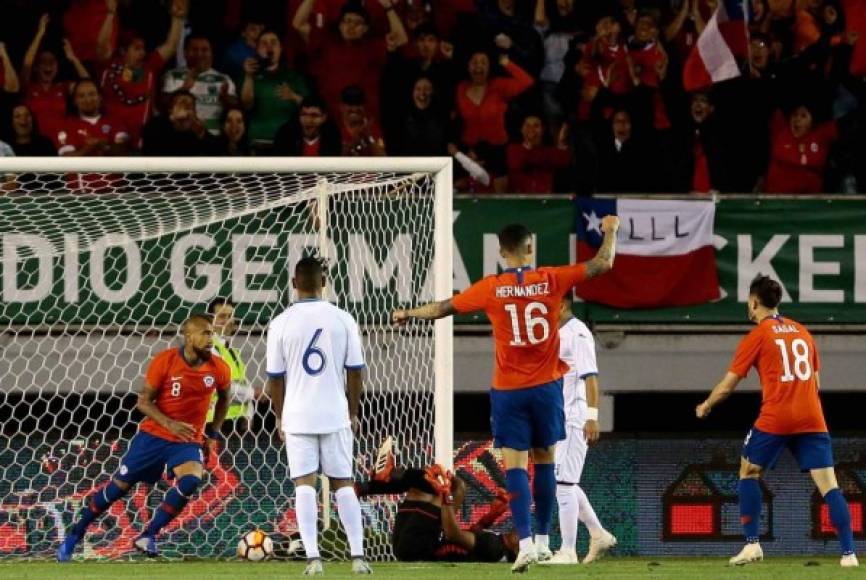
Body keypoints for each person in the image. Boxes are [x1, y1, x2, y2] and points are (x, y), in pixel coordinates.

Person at [392, 219, 619, 572]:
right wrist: (610, 231)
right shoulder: (551, 279)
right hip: (546, 389)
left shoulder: (491, 288)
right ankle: (544, 542)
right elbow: (603, 263)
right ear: (531, 248)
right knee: (545, 461)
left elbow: (442, 308)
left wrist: (408, 312)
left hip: (509, 391)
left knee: (516, 467)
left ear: (501, 252)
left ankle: (525, 544)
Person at [696, 275, 858, 568]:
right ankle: (849, 554)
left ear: (754, 301)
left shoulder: (758, 334)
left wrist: (706, 405)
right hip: (812, 417)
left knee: (748, 471)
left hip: (777, 416)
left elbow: (727, 386)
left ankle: (752, 545)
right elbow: (816, 381)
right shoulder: (802, 332)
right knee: (829, 486)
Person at [56, 314, 231, 561]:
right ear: (188, 336)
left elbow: (225, 398)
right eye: (205, 333)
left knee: (192, 480)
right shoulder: (166, 361)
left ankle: (148, 535)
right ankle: (76, 534)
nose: (210, 338)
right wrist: (170, 423)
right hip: (153, 436)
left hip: (187, 440)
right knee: (118, 488)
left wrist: (212, 433)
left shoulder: (218, 368)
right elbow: (143, 402)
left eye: (212, 333)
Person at [266, 257, 371, 575]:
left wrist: (280, 417)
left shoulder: (280, 323)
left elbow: (275, 379)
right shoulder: (343, 319)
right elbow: (355, 373)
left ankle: (313, 559)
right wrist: (352, 412)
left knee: (304, 486)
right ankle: (358, 558)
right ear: (323, 283)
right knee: (343, 484)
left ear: (294, 284)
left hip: (298, 415)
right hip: (335, 413)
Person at [356, 438, 517, 563]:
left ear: (517, 552)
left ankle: (382, 479)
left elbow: (453, 534)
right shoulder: (495, 546)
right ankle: (371, 484)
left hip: (416, 548)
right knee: (450, 486)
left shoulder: (495, 547)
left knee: (441, 488)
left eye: (524, 541)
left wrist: (446, 496)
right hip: (411, 544)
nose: (523, 534)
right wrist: (490, 517)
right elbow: (471, 539)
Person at [541, 297, 616, 565]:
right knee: (566, 482)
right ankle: (598, 534)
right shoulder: (556, 333)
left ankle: (568, 551)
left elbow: (591, 376)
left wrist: (592, 417)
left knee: (562, 484)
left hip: (575, 418)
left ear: (561, 306)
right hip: (559, 418)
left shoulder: (579, 333)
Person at [96, 0, 187, 147]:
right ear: (124, 50)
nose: (142, 52)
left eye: (143, 49)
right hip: (108, 140)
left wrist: (177, 19)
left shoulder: (149, 67)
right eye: (137, 48)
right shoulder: (109, 66)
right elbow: (101, 45)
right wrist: (110, 14)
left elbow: (171, 46)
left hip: (140, 141)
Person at [240, 30, 310, 150]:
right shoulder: (248, 75)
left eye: (273, 43)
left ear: (281, 49)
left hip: (287, 143)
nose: (269, 47)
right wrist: (248, 76)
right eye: (264, 43)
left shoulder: (294, 76)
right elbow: (246, 105)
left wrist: (293, 96)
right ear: (257, 49)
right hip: (258, 141)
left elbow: (309, 108)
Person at [22, 15, 90, 137]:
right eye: (43, 61)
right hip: (36, 140)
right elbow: (27, 64)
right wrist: (40, 34)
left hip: (63, 140)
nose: (48, 65)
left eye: (52, 61)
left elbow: (88, 85)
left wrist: (74, 59)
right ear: (36, 67)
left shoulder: (62, 87)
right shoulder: (29, 87)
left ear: (57, 68)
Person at [162, 35, 237, 135]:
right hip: (181, 137)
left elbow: (236, 108)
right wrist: (184, 88)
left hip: (213, 138)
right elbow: (162, 106)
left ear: (211, 53)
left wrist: (225, 97)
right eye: (194, 49)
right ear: (185, 53)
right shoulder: (172, 75)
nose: (199, 54)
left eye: (205, 50)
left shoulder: (223, 79)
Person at [206, 298, 256, 434]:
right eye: (222, 316)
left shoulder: (232, 351)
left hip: (237, 423)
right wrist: (252, 394)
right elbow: (221, 386)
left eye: (230, 316)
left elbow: (243, 382)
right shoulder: (208, 349)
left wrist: (249, 414)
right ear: (211, 320)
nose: (228, 321)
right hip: (216, 422)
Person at [54, 79, 130, 156]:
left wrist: (102, 146)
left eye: (92, 94)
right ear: (75, 101)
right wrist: (91, 146)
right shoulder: (65, 126)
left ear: (100, 97)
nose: (87, 100)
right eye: (81, 96)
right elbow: (67, 158)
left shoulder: (116, 122)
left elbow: (122, 151)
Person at [141, 89, 219, 156]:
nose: (185, 109)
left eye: (190, 106)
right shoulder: (156, 125)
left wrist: (202, 134)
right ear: (170, 109)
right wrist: (173, 121)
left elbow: (217, 152)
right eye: (181, 104)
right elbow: (150, 149)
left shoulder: (196, 129)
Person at [505, 114, 571, 193]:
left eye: (536, 126)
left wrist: (561, 141)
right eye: (527, 126)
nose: (531, 129)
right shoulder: (513, 149)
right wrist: (529, 145)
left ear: (543, 129)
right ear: (521, 129)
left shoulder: (549, 151)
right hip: (520, 200)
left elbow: (563, 161)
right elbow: (516, 164)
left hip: (544, 199)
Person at [272, 95, 342, 156]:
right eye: (304, 114)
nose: (308, 120)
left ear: (324, 117)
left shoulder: (332, 136)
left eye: (314, 115)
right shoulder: (285, 134)